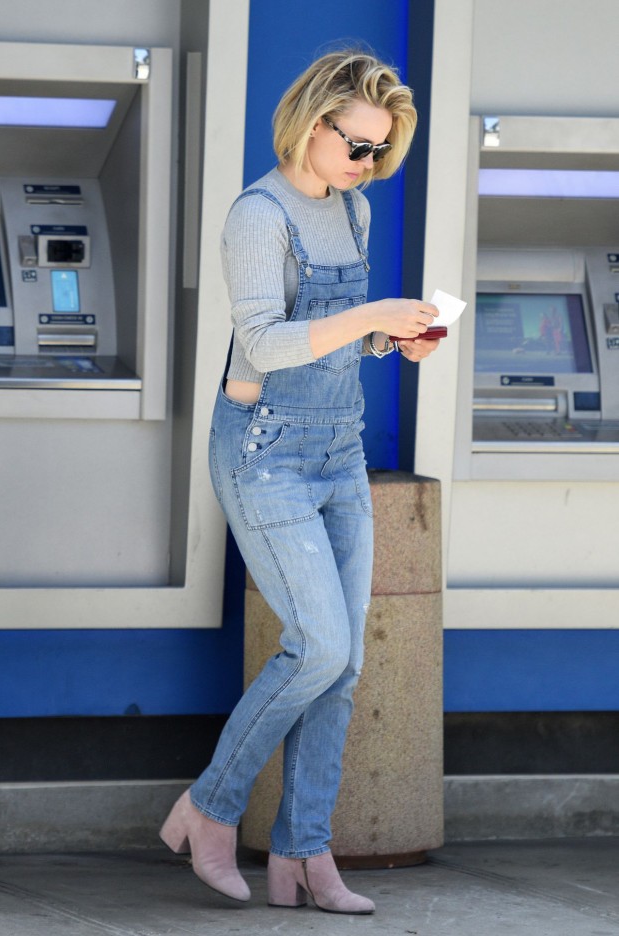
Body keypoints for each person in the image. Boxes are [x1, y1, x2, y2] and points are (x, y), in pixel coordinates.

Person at [160, 48, 440, 914]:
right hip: (264, 450)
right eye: (356, 146)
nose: (366, 167)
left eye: (378, 154)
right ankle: (208, 809)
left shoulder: (351, 212)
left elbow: (337, 341)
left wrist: (391, 340)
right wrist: (369, 314)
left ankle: (303, 858)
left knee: (345, 665)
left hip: (338, 450)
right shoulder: (257, 215)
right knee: (316, 646)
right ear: (311, 121)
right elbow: (269, 343)